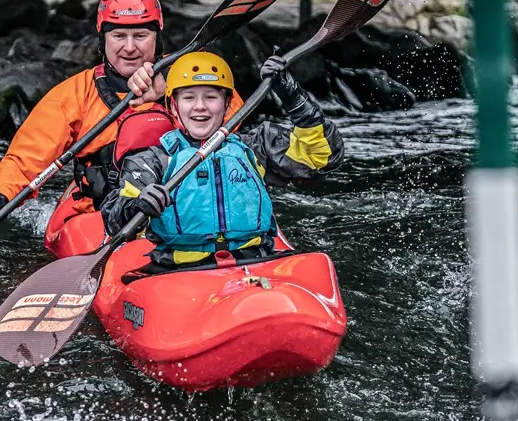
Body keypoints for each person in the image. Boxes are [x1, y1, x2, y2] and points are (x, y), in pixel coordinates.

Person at [0, 0, 175, 251]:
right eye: (119, 36)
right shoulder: (73, 94)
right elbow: (24, 161)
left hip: (180, 204)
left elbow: (232, 134)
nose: (129, 47)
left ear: (158, 37)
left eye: (140, 35)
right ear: (102, 38)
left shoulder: (187, 81)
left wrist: (170, 93)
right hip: (99, 215)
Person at [100, 51, 344, 268]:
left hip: (255, 261)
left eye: (210, 97)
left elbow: (323, 158)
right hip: (178, 271)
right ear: (173, 106)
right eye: (189, 98)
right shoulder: (152, 161)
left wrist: (295, 100)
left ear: (227, 104)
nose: (200, 107)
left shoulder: (256, 148)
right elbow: (114, 221)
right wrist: (137, 205)